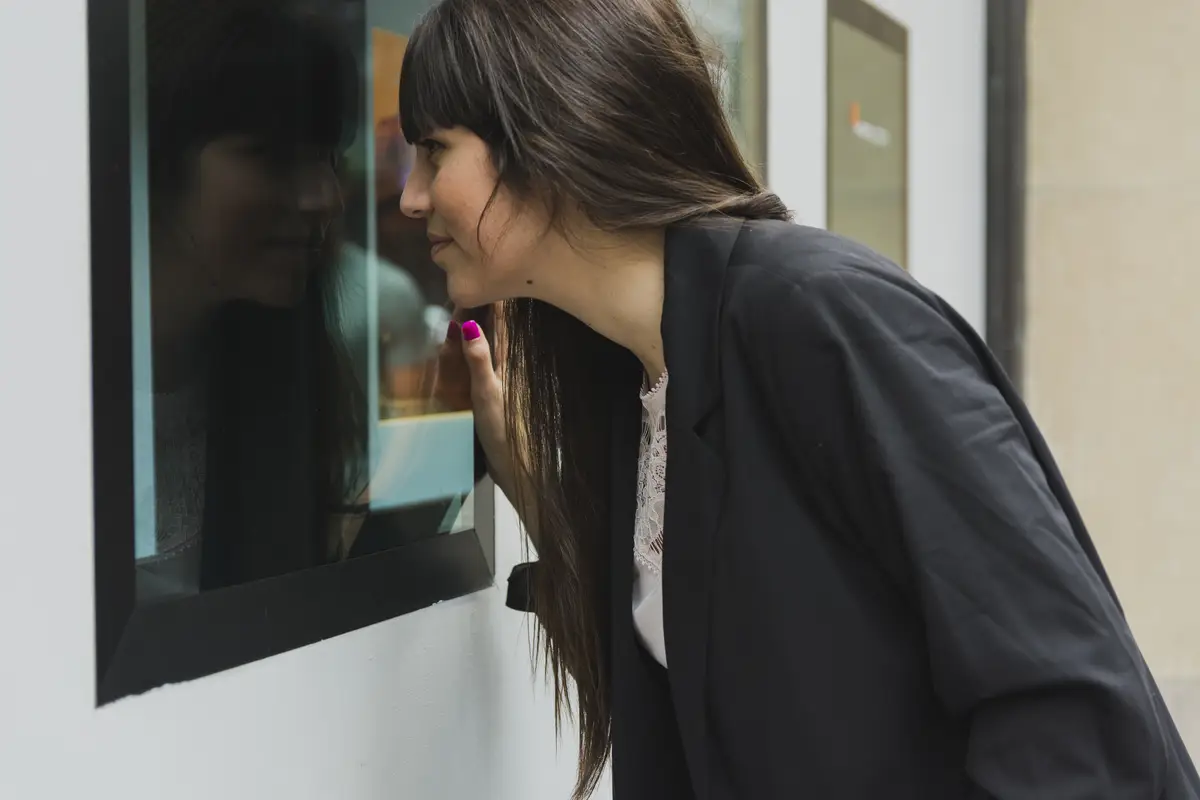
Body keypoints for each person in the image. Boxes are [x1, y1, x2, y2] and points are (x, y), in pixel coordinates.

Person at [401, 0, 1200, 798]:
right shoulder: (638, 381)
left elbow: (1073, 712)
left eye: (435, 152)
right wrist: (544, 496)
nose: (410, 197)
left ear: (551, 132)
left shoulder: (819, 318)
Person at [136, 0, 366, 597]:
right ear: (158, 163)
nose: (325, 196)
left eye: (326, 158)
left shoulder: (272, 382)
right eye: (269, 155)